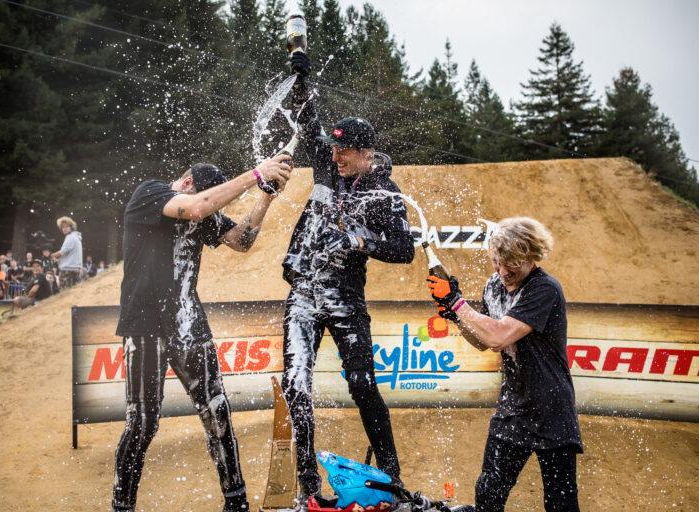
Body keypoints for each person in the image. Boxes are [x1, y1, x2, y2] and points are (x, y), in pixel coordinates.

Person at [112, 156, 291, 512]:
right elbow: (197, 208)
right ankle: (122, 506)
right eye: (207, 196)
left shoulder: (203, 214)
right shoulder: (152, 193)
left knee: (216, 410)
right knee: (143, 423)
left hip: (190, 324)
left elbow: (242, 241)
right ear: (189, 181)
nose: (210, 206)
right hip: (145, 326)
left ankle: (236, 500)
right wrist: (256, 174)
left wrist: (265, 196)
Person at [283, 51, 415, 500]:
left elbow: (405, 250)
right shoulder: (325, 162)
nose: (334, 155)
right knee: (295, 385)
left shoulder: (385, 193)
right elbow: (307, 117)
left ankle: (393, 477)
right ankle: (307, 484)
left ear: (364, 153)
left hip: (345, 298)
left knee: (361, 384)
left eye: (344, 150)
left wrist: (363, 242)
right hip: (303, 293)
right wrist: (301, 75)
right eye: (333, 147)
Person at [427, 217, 582, 512]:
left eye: (510, 264)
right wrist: (454, 315)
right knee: (488, 493)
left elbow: (500, 336)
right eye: (497, 262)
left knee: (561, 503)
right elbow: (482, 341)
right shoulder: (494, 285)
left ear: (531, 257)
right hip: (513, 407)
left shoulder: (545, 289)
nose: (503, 272)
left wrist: (458, 302)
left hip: (552, 409)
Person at [51, 216, 83, 288]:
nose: (64, 229)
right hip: (74, 269)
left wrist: (51, 255)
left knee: (65, 294)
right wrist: (59, 260)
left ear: (72, 227)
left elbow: (63, 251)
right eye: (62, 227)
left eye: (66, 227)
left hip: (67, 271)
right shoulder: (77, 237)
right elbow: (70, 255)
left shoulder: (70, 237)